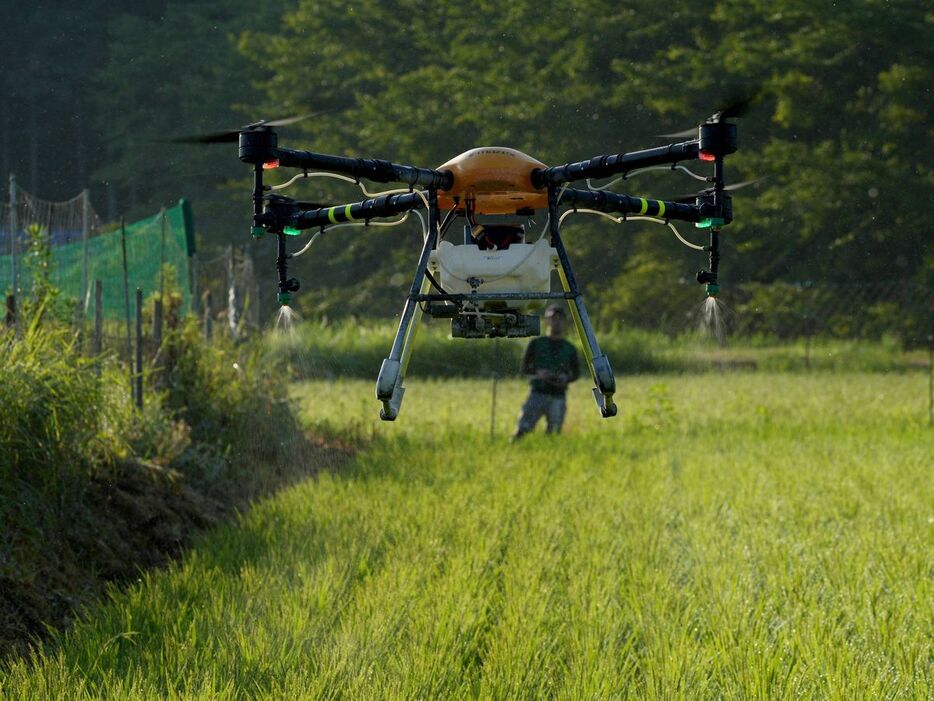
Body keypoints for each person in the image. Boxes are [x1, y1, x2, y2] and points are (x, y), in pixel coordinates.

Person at [513, 304, 580, 438]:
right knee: (522, 429)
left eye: (560, 318)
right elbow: (524, 368)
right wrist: (539, 373)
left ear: (565, 322)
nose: (557, 322)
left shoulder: (570, 348)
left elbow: (576, 373)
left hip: (558, 395)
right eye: (553, 318)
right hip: (537, 393)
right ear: (546, 321)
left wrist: (566, 378)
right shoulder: (536, 343)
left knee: (554, 433)